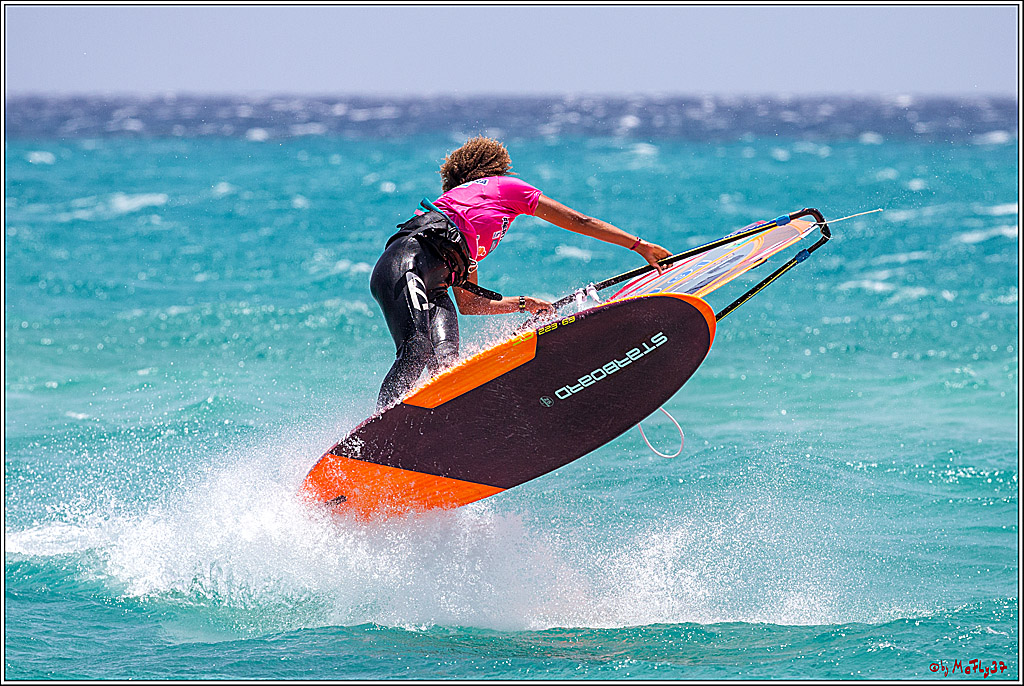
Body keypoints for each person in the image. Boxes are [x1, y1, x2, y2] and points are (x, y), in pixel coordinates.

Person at [369, 136, 672, 410]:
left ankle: (427, 434)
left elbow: (469, 304)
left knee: (447, 370)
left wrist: (526, 303)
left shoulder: (471, 229)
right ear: (492, 169)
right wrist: (639, 246)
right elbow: (578, 220)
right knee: (417, 349)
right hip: (404, 262)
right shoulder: (501, 186)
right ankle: (378, 432)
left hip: (434, 286)